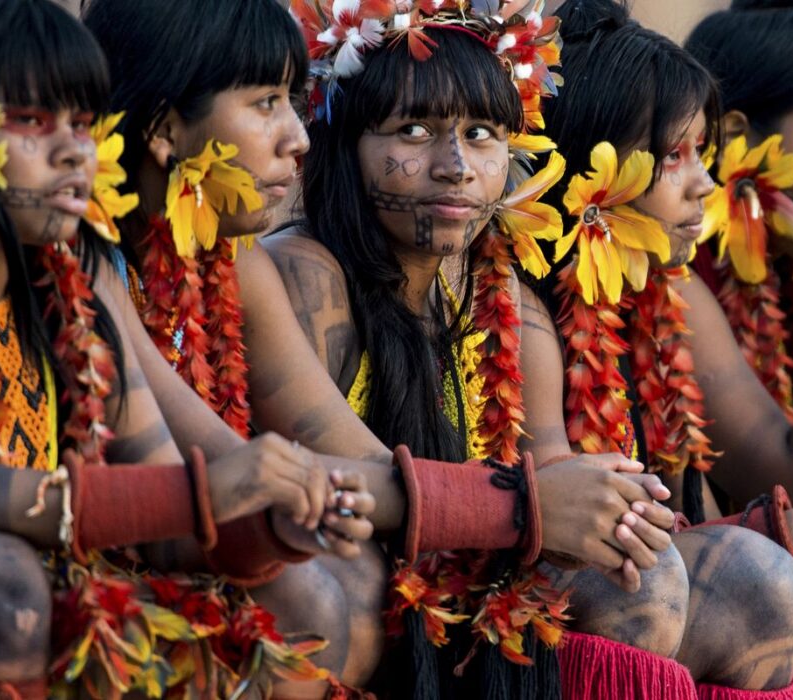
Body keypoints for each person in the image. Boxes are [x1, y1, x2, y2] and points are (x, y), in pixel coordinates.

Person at [0, 0, 377, 696]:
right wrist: (204, 492)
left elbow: (169, 528)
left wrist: (278, 521)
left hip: (52, 599)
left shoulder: (76, 277)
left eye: (83, 124)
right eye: (30, 122)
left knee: (300, 594)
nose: (72, 151)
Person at [514, 0, 793, 697]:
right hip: (559, 609)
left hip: (692, 569)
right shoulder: (527, 307)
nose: (708, 179)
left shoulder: (669, 285)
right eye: (676, 156)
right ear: (593, 181)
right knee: (755, 580)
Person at [264, 1, 685, 696]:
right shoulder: (306, 274)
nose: (455, 165)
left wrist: (622, 514)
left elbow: (556, 487)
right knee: (342, 582)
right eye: (416, 129)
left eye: (483, 134)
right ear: (342, 144)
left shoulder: (513, 305)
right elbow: (341, 483)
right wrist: (528, 504)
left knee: (663, 578)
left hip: (475, 583)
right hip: (351, 581)